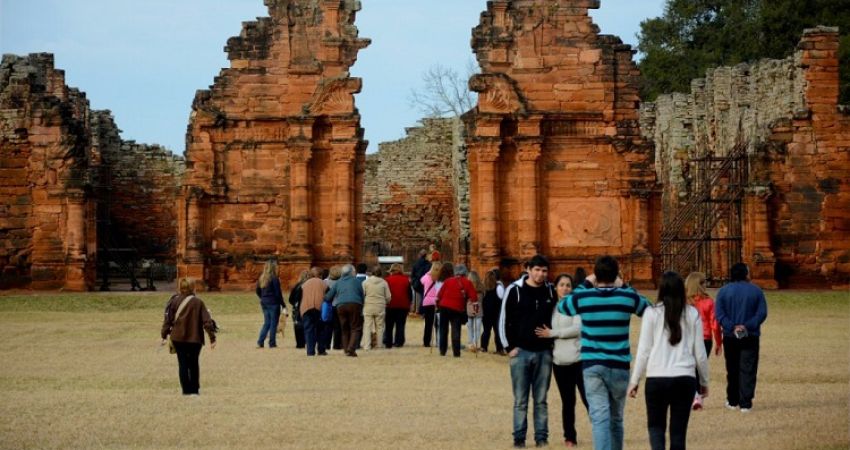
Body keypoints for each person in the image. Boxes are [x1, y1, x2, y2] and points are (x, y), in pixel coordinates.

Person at [559, 255, 650, 450]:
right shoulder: (626, 297)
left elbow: (563, 306)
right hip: (619, 365)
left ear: (596, 275)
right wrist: (624, 286)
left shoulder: (584, 297)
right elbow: (647, 308)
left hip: (593, 364)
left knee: (600, 417)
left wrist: (585, 283)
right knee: (616, 418)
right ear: (616, 274)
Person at [628, 271, 710, 450]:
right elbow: (700, 353)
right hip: (684, 378)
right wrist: (703, 381)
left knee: (656, 428)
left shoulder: (651, 313)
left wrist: (634, 381)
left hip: (657, 378)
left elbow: (643, 351)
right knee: (678, 434)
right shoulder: (692, 314)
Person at [500, 254, 557, 448]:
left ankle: (541, 437)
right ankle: (519, 438)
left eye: (544, 271)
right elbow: (503, 319)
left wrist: (553, 340)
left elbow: (559, 314)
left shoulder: (551, 291)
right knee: (520, 400)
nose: (541, 274)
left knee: (541, 399)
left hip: (543, 352)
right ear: (528, 270)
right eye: (537, 270)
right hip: (521, 352)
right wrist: (508, 347)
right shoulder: (515, 290)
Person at [535, 274, 588, 447]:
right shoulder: (552, 307)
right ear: (556, 287)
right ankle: (570, 437)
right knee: (568, 401)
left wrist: (554, 333)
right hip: (559, 361)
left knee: (588, 398)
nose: (565, 288)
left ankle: (603, 430)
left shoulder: (575, 306)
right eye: (562, 285)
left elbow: (578, 328)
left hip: (578, 359)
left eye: (568, 285)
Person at [715, 262, 767, 413]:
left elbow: (719, 314)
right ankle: (745, 402)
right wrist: (747, 325)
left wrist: (732, 326)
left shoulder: (723, 291)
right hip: (750, 335)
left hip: (730, 336)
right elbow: (761, 313)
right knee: (748, 368)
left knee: (732, 368)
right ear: (745, 273)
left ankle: (732, 400)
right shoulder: (756, 291)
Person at [160, 278, 217, 395]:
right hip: (195, 338)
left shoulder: (173, 301)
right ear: (192, 287)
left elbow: (168, 320)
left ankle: (185, 390)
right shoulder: (198, 302)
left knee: (183, 364)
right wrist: (212, 338)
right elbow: (207, 322)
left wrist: (164, 335)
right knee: (193, 364)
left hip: (178, 338)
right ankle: (194, 390)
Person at [685, 271, 722, 410]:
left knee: (690, 367)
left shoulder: (685, 302)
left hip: (688, 338)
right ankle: (697, 394)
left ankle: (694, 394)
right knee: (699, 366)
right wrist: (719, 342)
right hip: (705, 338)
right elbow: (715, 324)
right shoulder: (708, 302)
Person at [435, 263, 478, 357]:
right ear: (465, 272)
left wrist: (437, 305)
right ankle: (456, 352)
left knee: (443, 329)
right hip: (457, 308)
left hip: (444, 307)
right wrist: (473, 305)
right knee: (455, 330)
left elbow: (439, 295)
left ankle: (442, 351)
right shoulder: (467, 282)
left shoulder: (448, 281)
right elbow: (474, 298)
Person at [324, 264, 365, 357]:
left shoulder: (338, 282)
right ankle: (351, 348)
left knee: (344, 328)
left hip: (340, 306)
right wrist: (362, 306)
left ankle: (346, 349)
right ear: (351, 272)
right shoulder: (357, 281)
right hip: (355, 304)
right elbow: (362, 295)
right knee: (355, 327)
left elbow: (328, 296)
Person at [255, 260, 287, 349]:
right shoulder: (274, 278)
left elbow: (257, 290)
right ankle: (272, 343)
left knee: (267, 323)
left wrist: (262, 297)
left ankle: (260, 342)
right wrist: (283, 304)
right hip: (273, 303)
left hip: (264, 303)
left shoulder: (261, 278)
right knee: (273, 323)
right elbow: (278, 293)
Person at [300, 267, 329, 356]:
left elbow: (298, 296)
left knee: (309, 330)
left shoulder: (304, 284)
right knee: (321, 329)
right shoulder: (324, 283)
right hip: (319, 308)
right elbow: (329, 296)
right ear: (320, 275)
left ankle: (310, 351)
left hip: (306, 308)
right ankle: (321, 349)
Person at [362, 265, 391, 351]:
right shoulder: (384, 283)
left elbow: (362, 294)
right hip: (380, 306)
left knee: (367, 326)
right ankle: (379, 345)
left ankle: (367, 346)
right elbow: (388, 296)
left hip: (368, 305)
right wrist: (385, 302)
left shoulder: (365, 282)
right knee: (380, 326)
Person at [384, 263, 411, 348]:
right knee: (400, 324)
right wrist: (409, 303)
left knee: (389, 325)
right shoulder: (406, 280)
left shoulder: (387, 280)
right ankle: (399, 342)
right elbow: (409, 294)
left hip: (390, 305)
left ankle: (388, 342)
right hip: (403, 305)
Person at [480, 268, 506, 354]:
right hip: (496, 313)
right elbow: (502, 298)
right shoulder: (498, 287)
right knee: (497, 331)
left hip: (486, 313)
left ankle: (483, 347)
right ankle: (500, 349)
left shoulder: (483, 289)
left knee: (486, 331)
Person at [420, 261, 443, 347]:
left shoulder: (427, 277)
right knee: (438, 324)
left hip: (427, 302)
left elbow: (421, 280)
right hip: (437, 302)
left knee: (428, 324)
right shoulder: (441, 279)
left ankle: (426, 342)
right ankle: (438, 341)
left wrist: (429, 272)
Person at [288, 270, 310, 349]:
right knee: (308, 325)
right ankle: (307, 341)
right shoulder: (309, 286)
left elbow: (290, 299)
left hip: (297, 308)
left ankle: (299, 344)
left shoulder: (296, 286)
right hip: (307, 307)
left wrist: (295, 304)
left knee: (297, 325)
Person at [325, 266, 343, 350]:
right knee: (338, 327)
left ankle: (326, 344)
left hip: (327, 306)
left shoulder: (325, 282)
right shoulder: (341, 282)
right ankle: (337, 345)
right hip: (338, 305)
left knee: (327, 326)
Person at [466, 270, 485, 353]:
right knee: (477, 328)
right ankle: (474, 343)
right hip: (478, 308)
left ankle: (471, 343)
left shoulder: (467, 286)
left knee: (471, 327)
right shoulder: (481, 287)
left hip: (471, 308)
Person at [409, 249, 431, 315]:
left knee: (418, 297)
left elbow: (412, 274)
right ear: (426, 255)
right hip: (426, 283)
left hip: (417, 283)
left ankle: (417, 310)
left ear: (419, 255)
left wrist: (413, 282)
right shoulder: (429, 264)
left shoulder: (415, 264)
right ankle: (421, 311)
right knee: (424, 296)